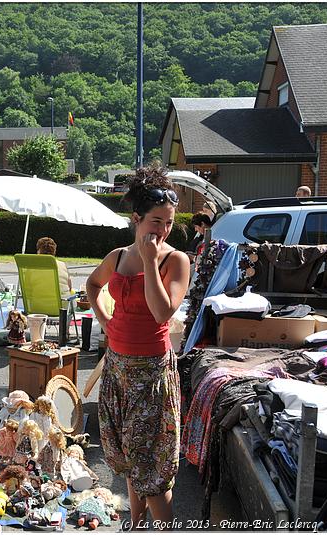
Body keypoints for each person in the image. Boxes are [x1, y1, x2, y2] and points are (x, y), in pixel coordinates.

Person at [84, 166, 189, 529]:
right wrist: (104, 320)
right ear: (136, 219)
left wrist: (149, 261)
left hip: (151, 375)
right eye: (156, 220)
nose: (163, 230)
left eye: (170, 222)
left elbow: (162, 312)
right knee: (130, 461)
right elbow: (92, 285)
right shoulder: (116, 257)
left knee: (153, 473)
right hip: (116, 368)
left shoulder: (175, 260)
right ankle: (136, 524)